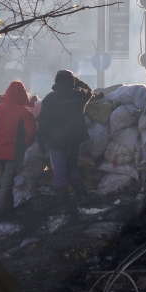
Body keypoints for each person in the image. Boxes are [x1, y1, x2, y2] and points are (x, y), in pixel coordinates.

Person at [37, 70, 94, 210]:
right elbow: (90, 91)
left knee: (60, 171)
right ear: (72, 81)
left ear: (56, 81)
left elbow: (43, 122)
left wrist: (41, 141)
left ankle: (64, 204)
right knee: (72, 167)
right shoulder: (79, 94)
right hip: (75, 139)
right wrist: (77, 81)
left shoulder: (50, 98)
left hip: (57, 141)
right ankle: (83, 196)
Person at [0, 81, 37, 217]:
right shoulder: (24, 113)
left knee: (5, 179)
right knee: (7, 182)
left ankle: (9, 207)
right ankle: (1, 212)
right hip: (14, 152)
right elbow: (31, 132)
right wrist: (24, 145)